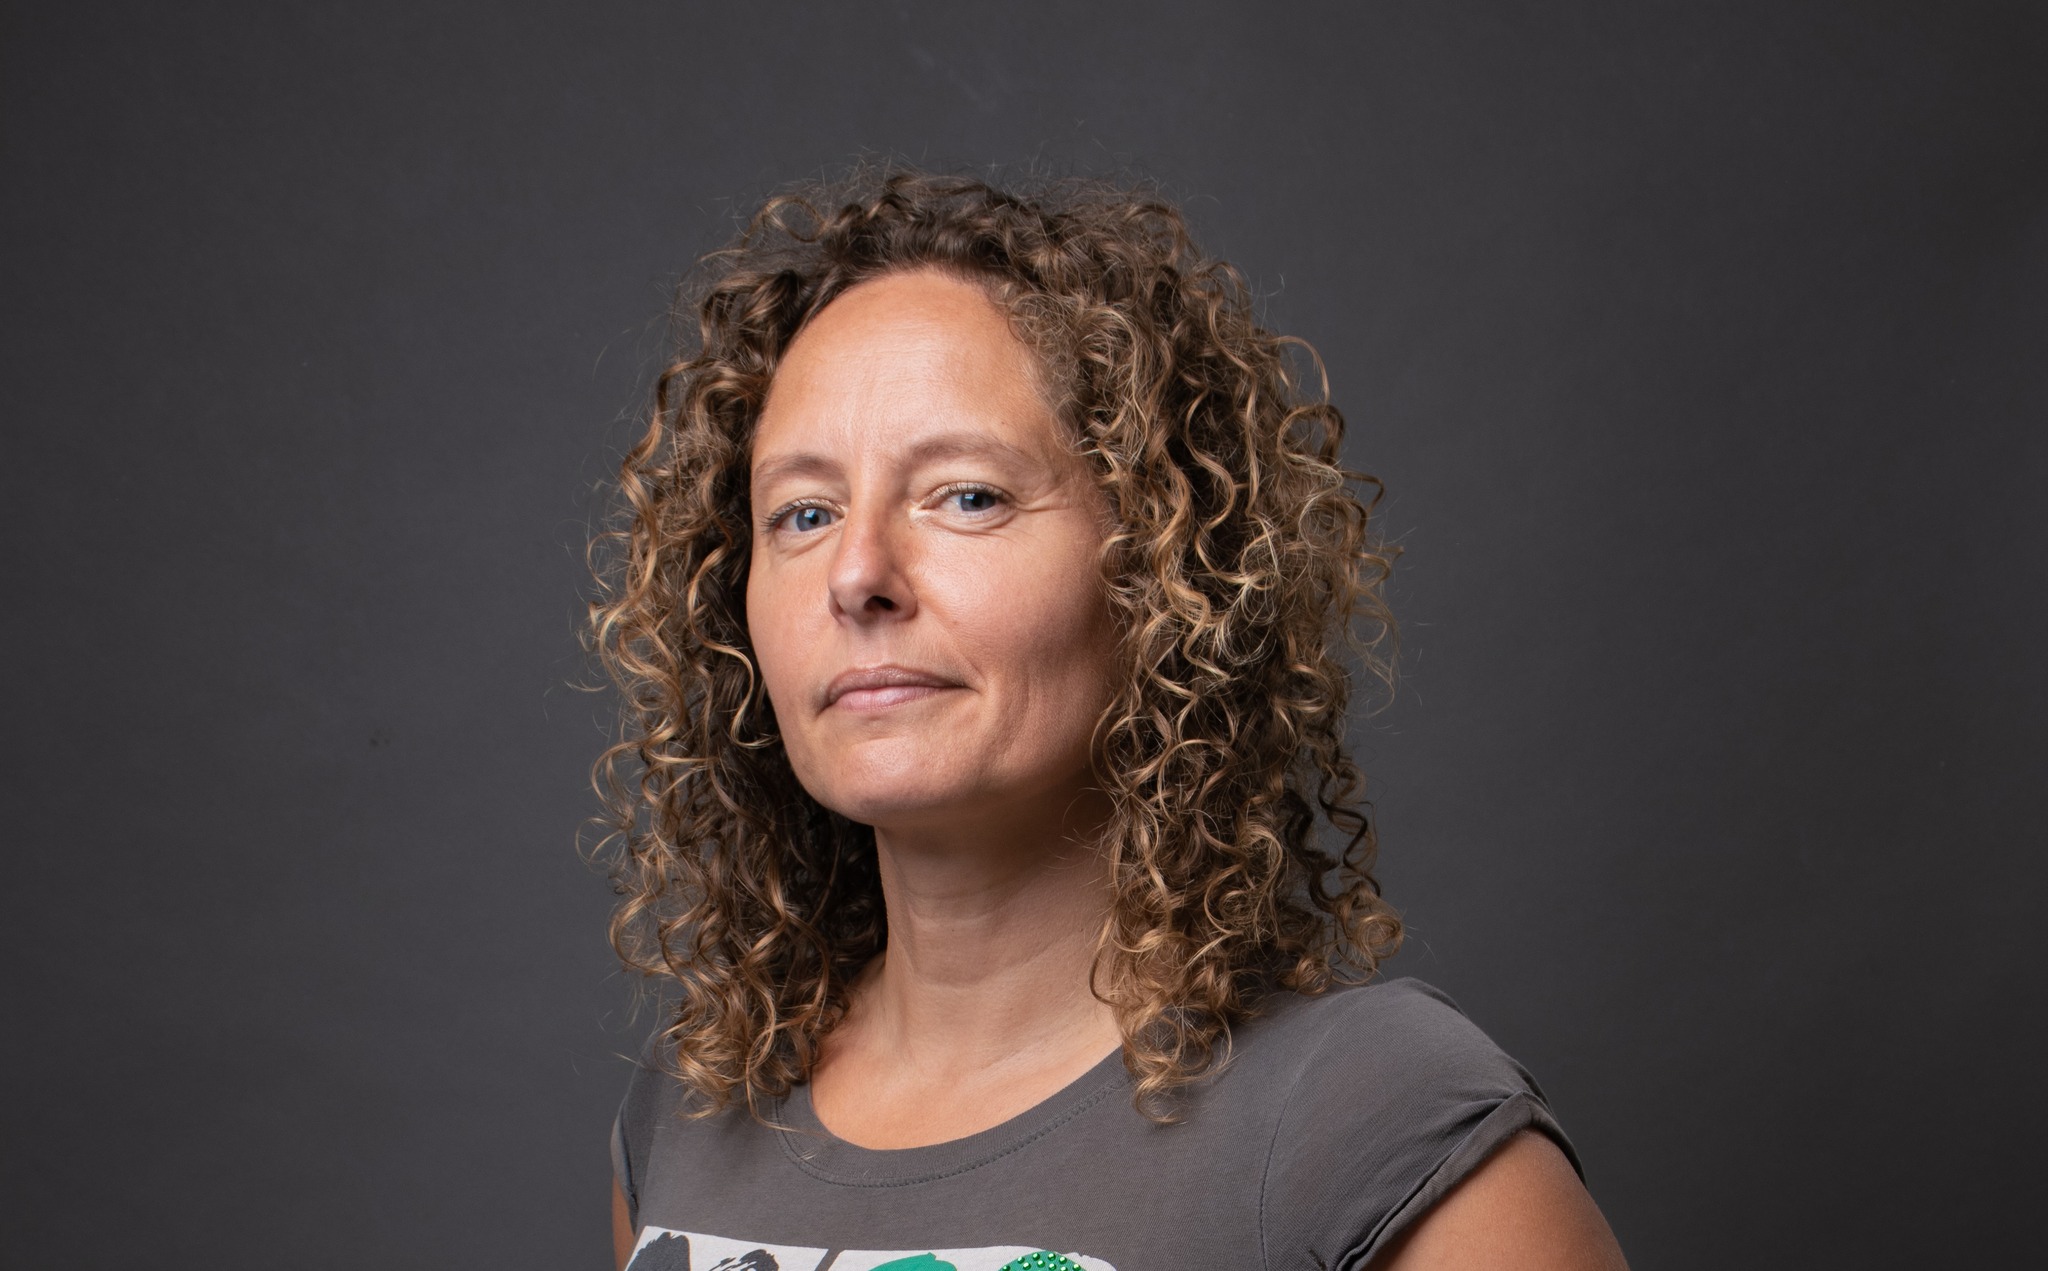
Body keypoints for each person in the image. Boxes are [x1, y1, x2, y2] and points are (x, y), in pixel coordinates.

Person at [588, 169, 1628, 1271]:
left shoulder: (1370, 1123)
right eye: (802, 513)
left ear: (1164, 564)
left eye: (968, 495)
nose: (856, 574)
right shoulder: (687, 1112)